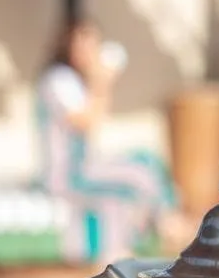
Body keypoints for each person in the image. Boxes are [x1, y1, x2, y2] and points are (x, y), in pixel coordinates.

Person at [36, 18, 179, 263]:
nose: (89, 51)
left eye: (92, 44)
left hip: (82, 168)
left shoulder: (77, 81)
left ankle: (131, 247)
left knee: (143, 164)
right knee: (138, 175)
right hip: (67, 173)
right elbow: (85, 120)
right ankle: (165, 226)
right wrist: (102, 81)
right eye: (82, 44)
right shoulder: (59, 79)